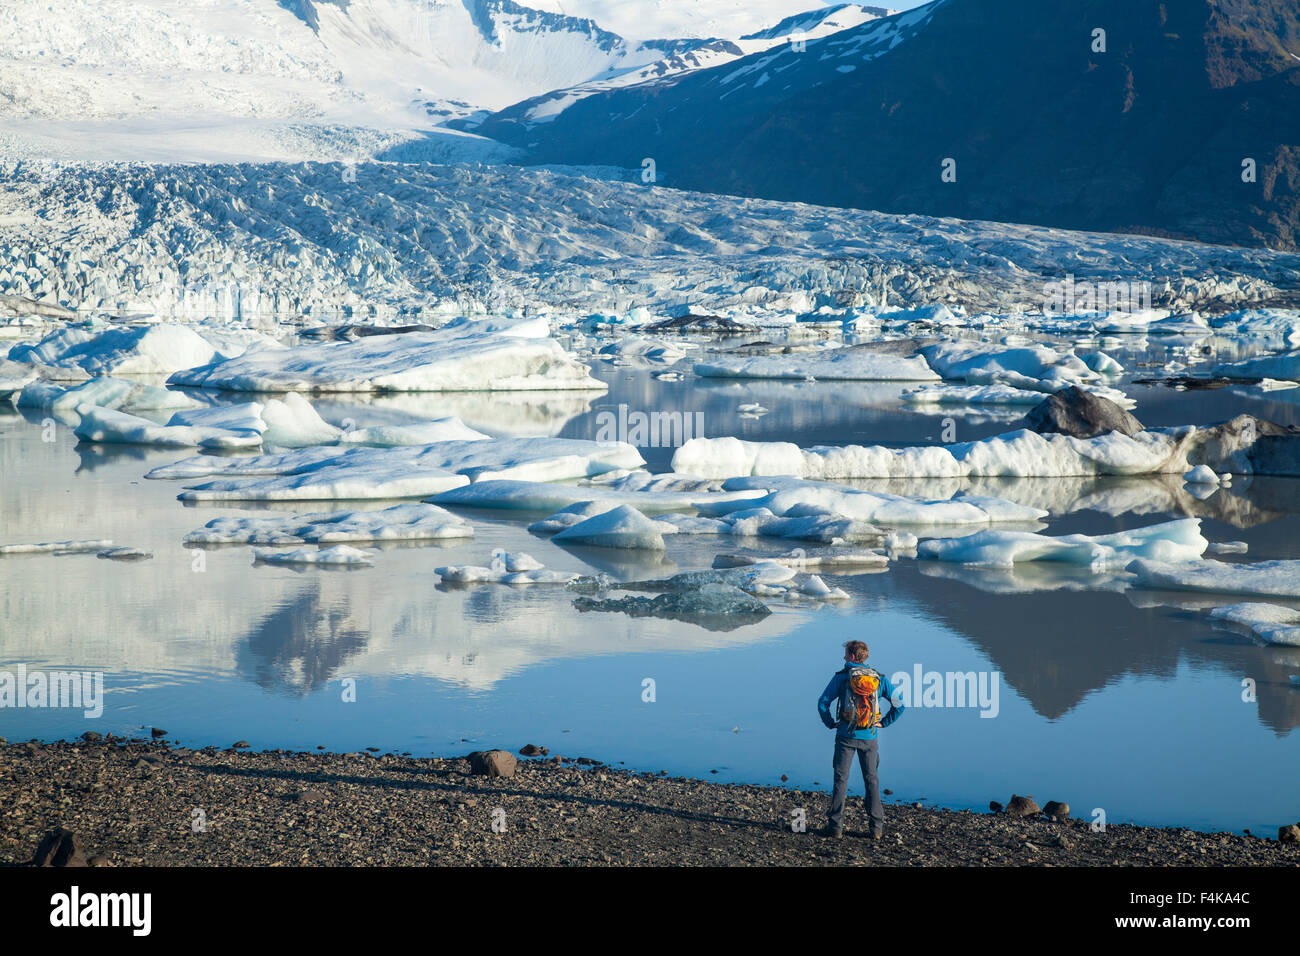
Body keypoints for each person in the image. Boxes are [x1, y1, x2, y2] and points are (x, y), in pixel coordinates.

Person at [816, 640, 904, 838]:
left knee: (841, 780)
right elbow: (900, 704)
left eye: (846, 654)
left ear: (853, 657)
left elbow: (822, 703)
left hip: (845, 736)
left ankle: (836, 828)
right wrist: (884, 722)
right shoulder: (879, 679)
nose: (844, 658)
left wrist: (830, 723)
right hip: (870, 737)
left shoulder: (842, 677)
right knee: (871, 780)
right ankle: (876, 829)